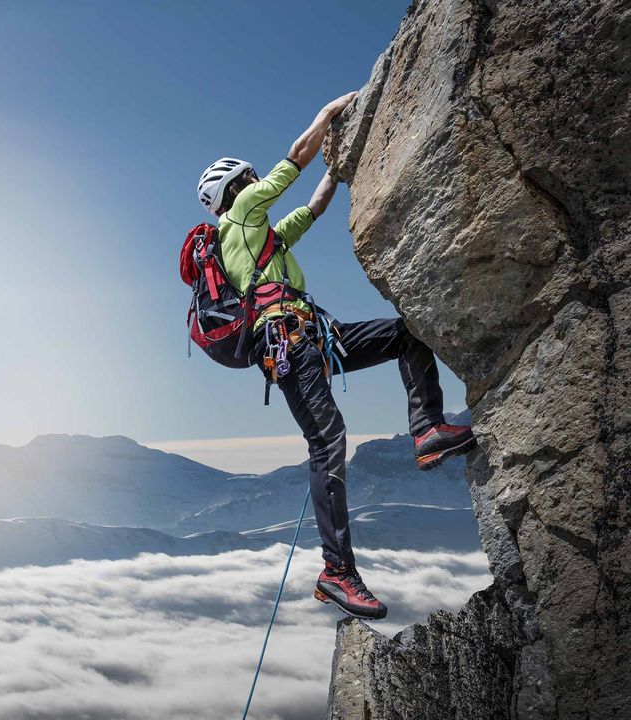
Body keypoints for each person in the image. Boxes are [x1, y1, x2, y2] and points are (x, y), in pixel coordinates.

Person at [195, 92, 475, 620]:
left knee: (405, 334)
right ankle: (337, 571)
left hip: (313, 337)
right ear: (234, 189)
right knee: (328, 443)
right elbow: (294, 162)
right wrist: (327, 115)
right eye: (249, 179)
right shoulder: (240, 217)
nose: (257, 184)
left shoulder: (264, 238)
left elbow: (314, 206)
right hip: (291, 343)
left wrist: (340, 169)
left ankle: (428, 429)